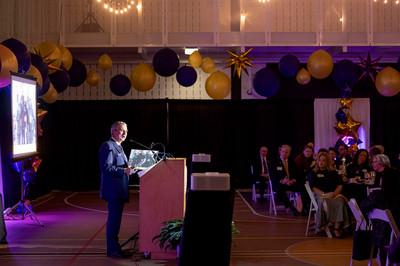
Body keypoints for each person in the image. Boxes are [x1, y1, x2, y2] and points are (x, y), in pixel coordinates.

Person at [99, 121, 136, 258]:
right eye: (121, 130)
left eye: (126, 131)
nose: (125, 133)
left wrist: (129, 170)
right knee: (114, 221)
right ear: (113, 131)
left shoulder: (119, 147)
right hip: (113, 191)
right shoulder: (108, 146)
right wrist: (124, 171)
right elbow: (106, 168)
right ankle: (113, 250)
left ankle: (115, 248)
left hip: (120, 191)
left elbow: (120, 167)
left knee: (116, 221)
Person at [308, 152, 350, 238]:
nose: (321, 162)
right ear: (317, 161)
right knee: (326, 203)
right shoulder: (313, 172)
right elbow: (313, 187)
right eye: (319, 160)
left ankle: (336, 227)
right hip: (321, 195)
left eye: (324, 160)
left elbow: (340, 186)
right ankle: (333, 225)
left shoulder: (333, 172)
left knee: (341, 202)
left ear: (327, 162)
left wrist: (334, 193)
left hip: (333, 194)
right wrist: (324, 194)